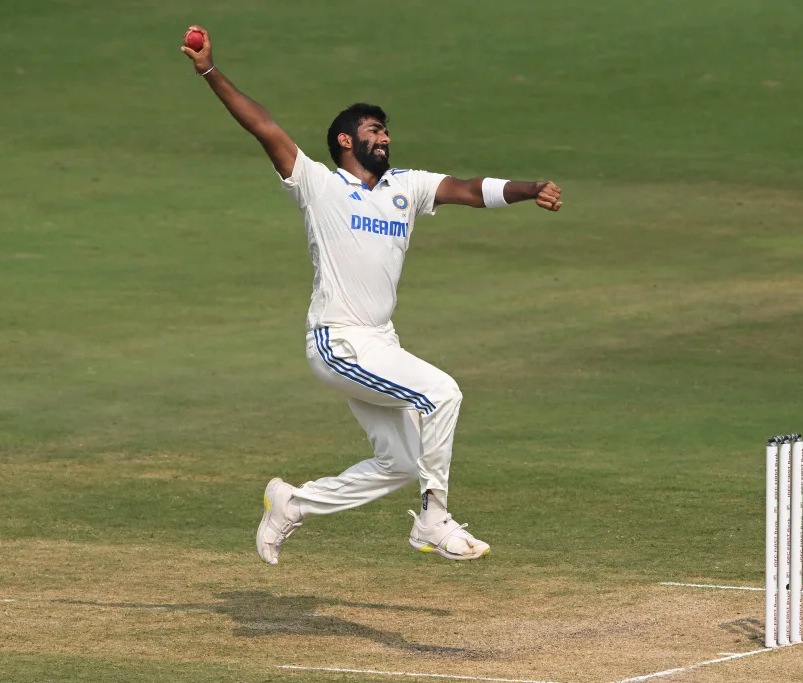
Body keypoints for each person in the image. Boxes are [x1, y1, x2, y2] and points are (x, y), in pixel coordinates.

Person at [181, 26, 562, 564]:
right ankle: (433, 519)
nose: (384, 139)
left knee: (402, 464)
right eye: (374, 131)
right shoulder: (319, 184)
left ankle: (292, 503)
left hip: (380, 342)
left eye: (386, 132)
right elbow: (263, 127)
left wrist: (528, 190)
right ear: (345, 141)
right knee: (442, 393)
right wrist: (208, 71)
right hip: (339, 341)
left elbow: (469, 190)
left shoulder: (406, 186)